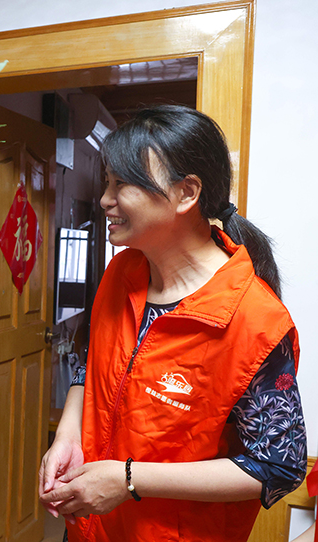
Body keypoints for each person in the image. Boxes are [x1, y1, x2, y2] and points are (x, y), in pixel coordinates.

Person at [38, 105, 306, 541]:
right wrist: (67, 435)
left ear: (186, 193)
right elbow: (95, 363)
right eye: (107, 182)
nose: (106, 200)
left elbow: (279, 465)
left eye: (122, 183)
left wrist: (128, 480)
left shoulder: (254, 320)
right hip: (91, 528)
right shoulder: (121, 273)